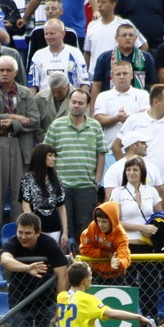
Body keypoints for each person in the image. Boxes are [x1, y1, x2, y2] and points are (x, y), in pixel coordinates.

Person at [110, 156, 164, 327]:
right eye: (129, 170)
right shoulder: (118, 192)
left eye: (135, 170)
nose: (131, 173)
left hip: (147, 248)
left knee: (149, 295)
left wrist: (154, 229)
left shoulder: (151, 191)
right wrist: (141, 227)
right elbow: (114, 221)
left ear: (142, 172)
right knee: (128, 294)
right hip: (128, 247)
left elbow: (160, 216)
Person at [0, 55, 40, 230]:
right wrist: (14, 116)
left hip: (20, 145)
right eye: (1, 70)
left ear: (16, 72)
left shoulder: (25, 93)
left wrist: (14, 124)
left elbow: (35, 120)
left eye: (8, 70)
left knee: (19, 195)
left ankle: (18, 234)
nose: (5, 73)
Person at [44, 89, 106, 244]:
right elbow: (46, 154)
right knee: (61, 231)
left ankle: (82, 267)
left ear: (87, 105)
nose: (76, 106)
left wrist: (96, 182)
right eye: (73, 102)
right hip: (61, 186)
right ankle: (61, 266)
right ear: (69, 103)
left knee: (84, 232)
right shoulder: (56, 125)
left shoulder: (95, 126)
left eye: (80, 103)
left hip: (86, 187)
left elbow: (101, 155)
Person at [79, 201, 132, 327]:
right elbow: (84, 248)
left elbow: (125, 255)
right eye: (99, 221)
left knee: (119, 323)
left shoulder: (121, 234)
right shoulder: (92, 228)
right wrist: (106, 255)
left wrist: (119, 263)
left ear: (113, 220)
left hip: (118, 278)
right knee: (98, 321)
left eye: (105, 221)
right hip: (98, 277)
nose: (101, 225)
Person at [110, 84, 164, 185]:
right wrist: (127, 168)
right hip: (142, 182)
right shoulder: (134, 120)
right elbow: (116, 146)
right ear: (156, 102)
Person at [83, 0, 147, 78]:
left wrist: (131, 65)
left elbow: (143, 46)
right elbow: (87, 52)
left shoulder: (124, 24)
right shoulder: (92, 25)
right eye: (98, 2)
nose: (99, 5)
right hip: (94, 75)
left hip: (117, 76)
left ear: (113, 4)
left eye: (103, 2)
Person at [92, 60, 150, 151]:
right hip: (110, 150)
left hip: (137, 151)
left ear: (131, 75)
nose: (122, 77)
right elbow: (98, 119)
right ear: (112, 77)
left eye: (125, 73)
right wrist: (117, 118)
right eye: (118, 74)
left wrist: (128, 119)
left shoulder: (143, 95)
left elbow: (146, 117)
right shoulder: (103, 96)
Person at [90, 25, 158, 100]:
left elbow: (153, 84)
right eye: (124, 35)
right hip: (111, 101)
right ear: (116, 38)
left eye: (131, 35)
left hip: (138, 102)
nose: (128, 38)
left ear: (135, 38)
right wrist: (94, 110)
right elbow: (97, 85)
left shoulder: (146, 57)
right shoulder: (104, 57)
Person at [19, 143, 67, 246]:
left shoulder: (57, 180)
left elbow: (61, 207)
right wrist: (34, 228)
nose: (53, 159)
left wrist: (65, 233)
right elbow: (25, 205)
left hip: (54, 227)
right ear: (41, 157)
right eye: (50, 155)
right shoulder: (27, 179)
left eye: (54, 156)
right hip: (35, 229)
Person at [27, 20, 90, 94]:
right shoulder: (38, 55)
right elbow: (32, 85)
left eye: (52, 34)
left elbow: (84, 83)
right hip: (45, 100)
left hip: (69, 100)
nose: (48, 37)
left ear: (63, 33)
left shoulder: (75, 53)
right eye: (46, 34)